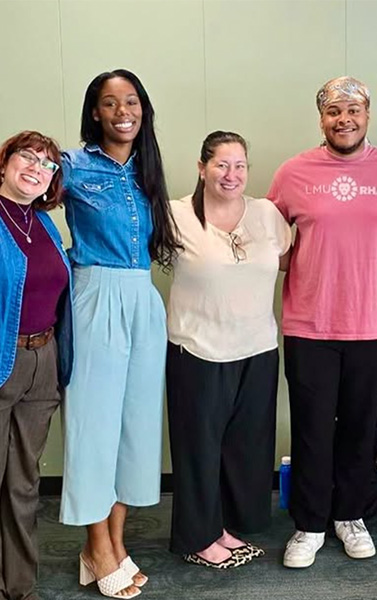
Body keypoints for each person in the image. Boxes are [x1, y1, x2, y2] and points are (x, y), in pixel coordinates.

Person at [267, 76, 377, 568]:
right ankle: (310, 524)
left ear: (368, 115)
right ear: (322, 118)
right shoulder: (293, 172)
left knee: (358, 425)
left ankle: (350, 516)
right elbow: (267, 241)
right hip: (309, 323)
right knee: (312, 427)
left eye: (353, 110)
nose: (344, 119)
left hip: (373, 323)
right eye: (334, 110)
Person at [59, 69, 180, 599]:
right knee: (94, 427)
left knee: (135, 427)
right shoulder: (72, 165)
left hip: (142, 299)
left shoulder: (148, 171)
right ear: (94, 112)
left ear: (143, 110)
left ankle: (111, 541)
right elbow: (20, 193)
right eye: (110, 103)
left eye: (131, 101)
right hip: (95, 294)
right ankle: (98, 546)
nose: (122, 111)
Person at [166, 130, 291, 569]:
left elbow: (290, 261)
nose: (231, 174)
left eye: (239, 165)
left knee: (245, 448)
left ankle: (224, 527)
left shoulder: (266, 213)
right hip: (197, 349)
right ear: (201, 168)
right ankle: (197, 537)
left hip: (257, 347)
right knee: (198, 447)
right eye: (221, 164)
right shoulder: (175, 215)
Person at [0, 131, 72, 600]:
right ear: (4, 162)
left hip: (42, 361)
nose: (36, 168)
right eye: (27, 157)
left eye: (46, 165)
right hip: (3, 360)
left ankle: (18, 587)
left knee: (24, 484)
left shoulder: (44, 223)